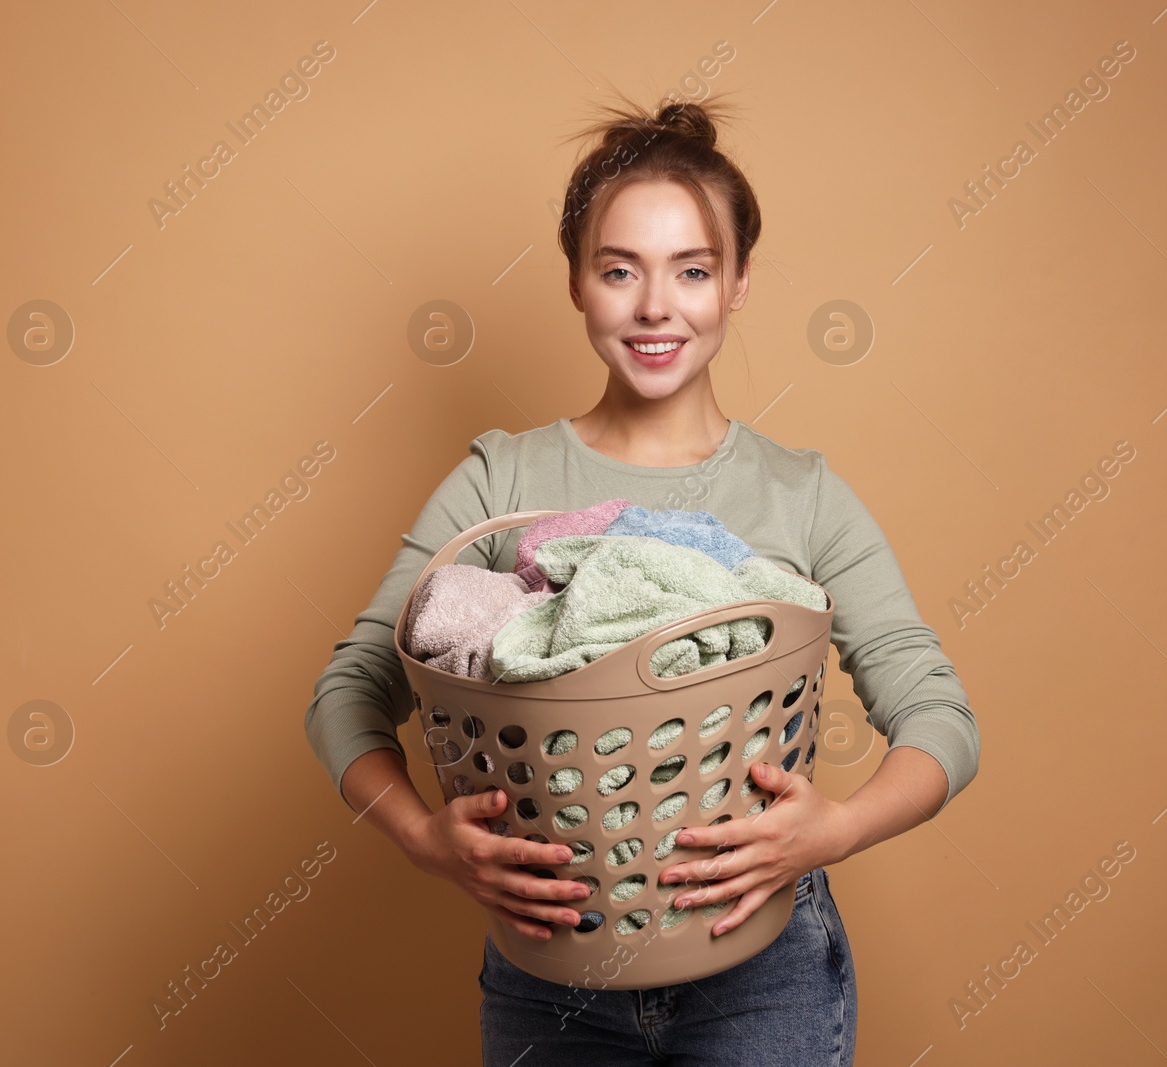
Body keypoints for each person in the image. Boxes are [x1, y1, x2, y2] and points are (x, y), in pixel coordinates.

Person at [304, 94, 980, 1066]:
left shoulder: (801, 496)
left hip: (762, 976)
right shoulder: (502, 481)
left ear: (738, 282)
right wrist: (425, 837)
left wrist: (830, 830)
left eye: (692, 271)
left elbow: (940, 719)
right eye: (619, 270)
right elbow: (347, 692)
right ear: (577, 282)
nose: (655, 306)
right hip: (550, 980)